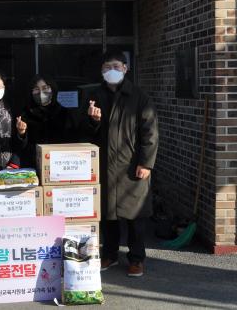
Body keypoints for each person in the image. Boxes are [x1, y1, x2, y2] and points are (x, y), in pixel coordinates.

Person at [80, 51, 158, 277]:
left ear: (125, 68)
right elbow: (83, 130)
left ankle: (136, 259)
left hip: (131, 164)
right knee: (108, 215)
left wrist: (146, 163)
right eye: (106, 67)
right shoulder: (94, 96)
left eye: (116, 66)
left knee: (135, 216)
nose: (111, 71)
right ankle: (110, 254)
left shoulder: (139, 96)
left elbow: (150, 132)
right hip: (104, 164)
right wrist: (93, 121)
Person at [19, 74, 69, 170]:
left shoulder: (64, 113)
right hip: (32, 167)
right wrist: (21, 134)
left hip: (60, 165)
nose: (41, 92)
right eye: (36, 89)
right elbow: (19, 146)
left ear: (53, 89)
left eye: (45, 88)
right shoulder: (24, 114)